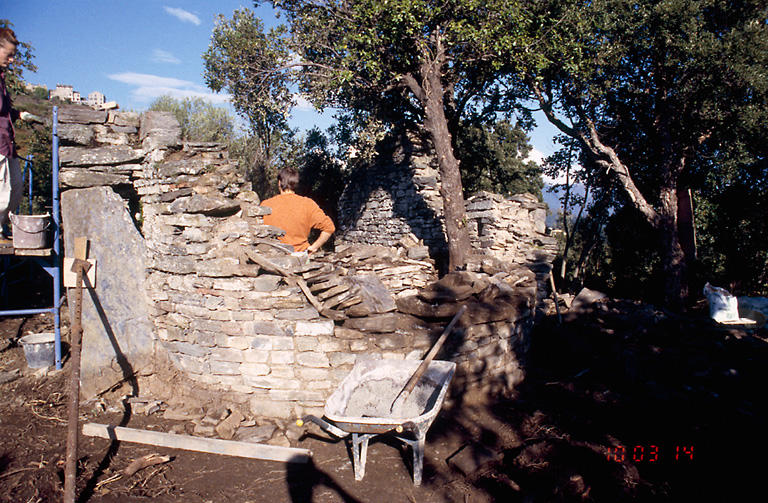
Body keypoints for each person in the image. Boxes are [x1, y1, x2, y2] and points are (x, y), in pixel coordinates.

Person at [1, 27, 39, 243]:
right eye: (9, 54)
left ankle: (2, 228)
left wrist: (20, 114)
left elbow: (3, 110)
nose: (13, 60)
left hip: (7, 143)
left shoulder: (1, 79)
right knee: (2, 191)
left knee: (14, 189)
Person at [260, 167, 335, 254]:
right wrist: (314, 247)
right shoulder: (307, 204)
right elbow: (329, 227)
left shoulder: (266, 205)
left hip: (272, 258)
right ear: (295, 184)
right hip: (300, 259)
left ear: (279, 183)